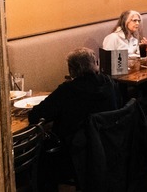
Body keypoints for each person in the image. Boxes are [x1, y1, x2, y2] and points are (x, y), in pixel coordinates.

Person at [28, 48, 119, 189]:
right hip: (108, 144)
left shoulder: (68, 90)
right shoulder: (109, 83)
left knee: (42, 153)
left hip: (76, 153)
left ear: (71, 69)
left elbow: (35, 115)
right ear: (95, 63)